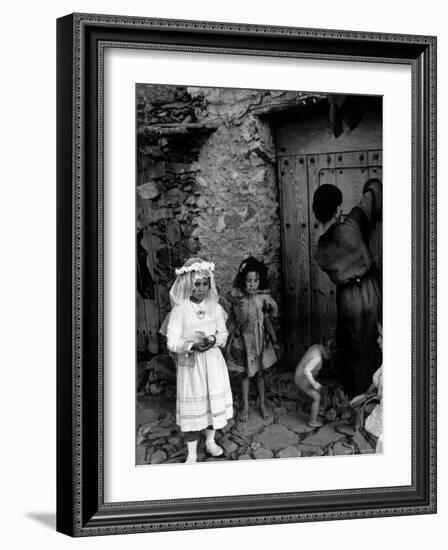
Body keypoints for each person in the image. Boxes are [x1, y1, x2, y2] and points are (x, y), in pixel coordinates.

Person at [312, 178, 382, 396]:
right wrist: (370, 184)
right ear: (337, 210)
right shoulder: (351, 225)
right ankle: (375, 391)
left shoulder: (319, 250)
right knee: (376, 340)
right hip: (370, 291)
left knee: (352, 343)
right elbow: (372, 195)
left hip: (347, 299)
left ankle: (355, 392)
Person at [161, 257, 233, 464]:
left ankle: (210, 441)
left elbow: (223, 333)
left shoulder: (215, 308)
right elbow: (172, 341)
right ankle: (191, 452)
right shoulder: (180, 310)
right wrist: (191, 345)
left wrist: (213, 340)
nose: (201, 289)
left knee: (212, 402)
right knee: (193, 408)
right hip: (191, 365)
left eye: (204, 284)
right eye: (197, 284)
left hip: (212, 362)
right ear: (187, 285)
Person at [226, 257, 280, 422]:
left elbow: (267, 321)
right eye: (249, 281)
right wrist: (227, 336)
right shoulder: (237, 297)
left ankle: (262, 403)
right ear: (243, 281)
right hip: (242, 341)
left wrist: (275, 340)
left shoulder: (262, 299)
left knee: (260, 374)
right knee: (244, 374)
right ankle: (245, 406)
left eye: (255, 281)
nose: (252, 284)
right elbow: (232, 316)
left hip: (258, 342)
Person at [294, 337, 338, 427]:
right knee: (317, 397)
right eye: (330, 355)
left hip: (300, 374)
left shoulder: (316, 347)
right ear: (327, 350)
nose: (329, 358)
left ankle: (311, 408)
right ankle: (312, 421)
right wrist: (314, 383)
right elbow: (306, 370)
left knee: (317, 392)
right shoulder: (317, 357)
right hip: (301, 378)